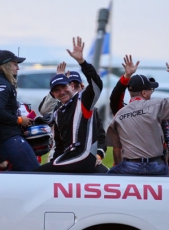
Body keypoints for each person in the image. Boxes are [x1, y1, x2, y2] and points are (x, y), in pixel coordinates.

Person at [106, 60, 169, 175]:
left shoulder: (120, 114)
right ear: (144, 93)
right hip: (156, 166)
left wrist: (120, 171)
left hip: (130, 166)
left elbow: (116, 149)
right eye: (151, 90)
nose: (151, 93)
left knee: (108, 176)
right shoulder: (156, 106)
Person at [34, 36, 103, 173]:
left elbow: (97, 84)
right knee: (39, 172)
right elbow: (60, 146)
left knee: (37, 173)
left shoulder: (83, 101)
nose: (62, 92)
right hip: (69, 157)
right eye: (57, 90)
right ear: (53, 94)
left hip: (82, 156)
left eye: (64, 87)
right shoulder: (58, 113)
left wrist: (82, 62)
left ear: (72, 86)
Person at [0, 50, 40, 171]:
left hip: (5, 137)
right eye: (15, 64)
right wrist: (19, 120)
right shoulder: (2, 84)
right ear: (6, 65)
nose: (18, 68)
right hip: (8, 137)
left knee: (18, 173)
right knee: (35, 172)